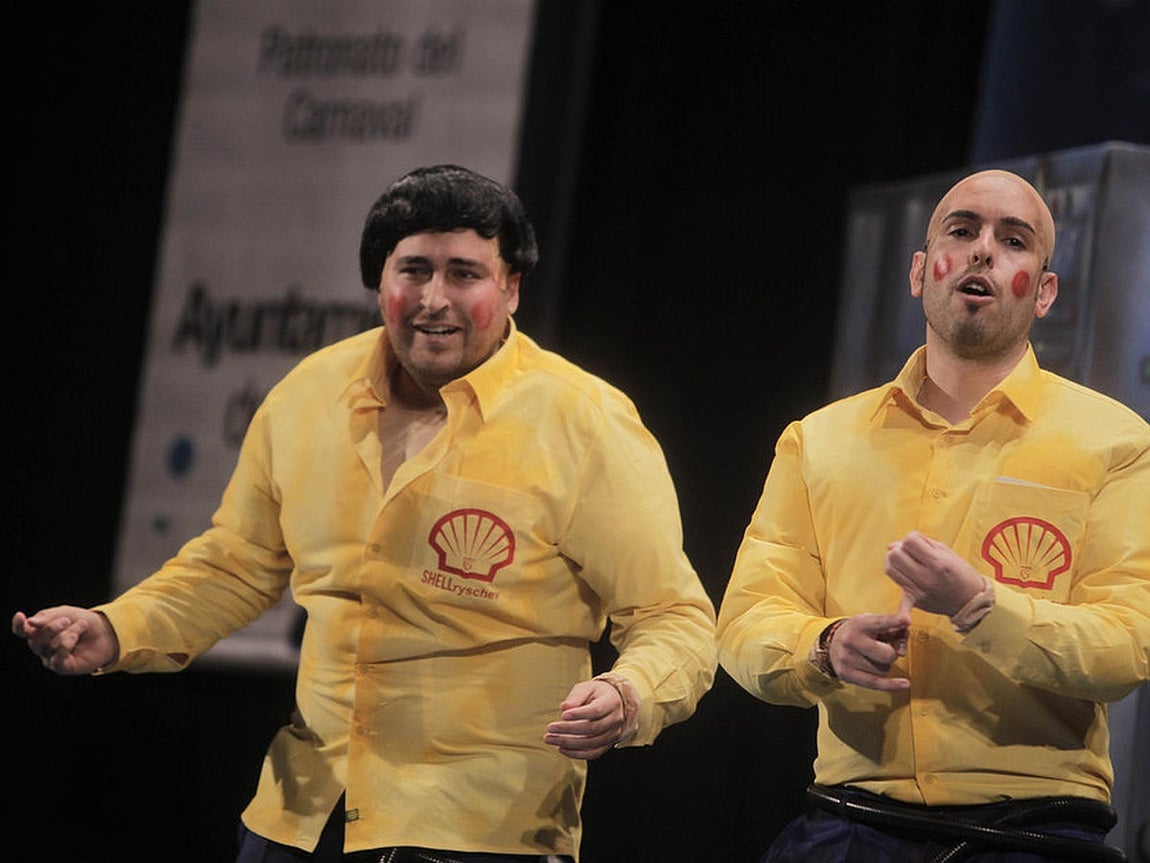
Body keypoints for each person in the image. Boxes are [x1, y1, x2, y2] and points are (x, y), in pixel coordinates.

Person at [13, 164, 717, 863]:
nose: (434, 299)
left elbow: (673, 617)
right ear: (379, 283)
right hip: (298, 819)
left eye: (465, 273)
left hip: (481, 829)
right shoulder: (308, 394)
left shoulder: (585, 421)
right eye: (412, 270)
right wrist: (116, 626)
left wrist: (630, 693)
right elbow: (236, 565)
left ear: (511, 289)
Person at [716, 169, 1149, 862]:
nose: (983, 251)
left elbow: (1129, 644)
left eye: (1013, 240)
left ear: (1043, 292)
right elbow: (743, 623)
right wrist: (824, 644)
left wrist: (981, 605)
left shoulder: (1114, 441)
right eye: (962, 230)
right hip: (850, 823)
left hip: (1031, 832)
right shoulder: (818, 440)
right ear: (921, 272)